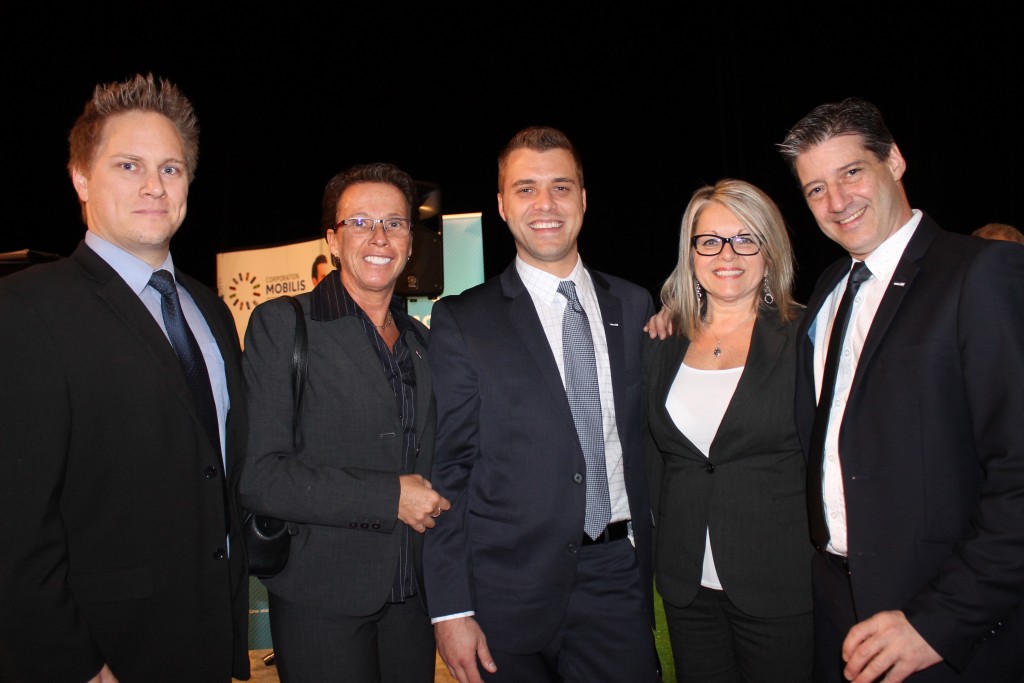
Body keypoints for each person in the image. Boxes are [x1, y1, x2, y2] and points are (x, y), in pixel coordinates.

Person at [0, 73, 250, 682]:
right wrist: (76, 665)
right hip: (103, 652)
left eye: (171, 169)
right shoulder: (26, 309)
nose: (154, 186)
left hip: (207, 639)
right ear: (81, 178)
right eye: (129, 165)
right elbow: (13, 524)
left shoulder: (209, 309)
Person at [778, 97, 1024, 682]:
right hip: (838, 608)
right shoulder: (831, 288)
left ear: (894, 161)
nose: (836, 203)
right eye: (815, 189)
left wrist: (938, 622)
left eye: (851, 173)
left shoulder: (981, 274)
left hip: (938, 624)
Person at [423, 125, 660, 683]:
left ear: (583, 198)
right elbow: (447, 474)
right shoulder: (463, 321)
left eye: (561, 186)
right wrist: (451, 609)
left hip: (615, 581)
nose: (545, 204)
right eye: (526, 188)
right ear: (502, 205)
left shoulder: (634, 303)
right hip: (506, 592)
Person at [239, 162, 450, 683]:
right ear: (332, 239)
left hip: (412, 602)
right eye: (359, 222)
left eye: (395, 223)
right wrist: (388, 497)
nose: (379, 237)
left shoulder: (425, 344)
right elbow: (261, 477)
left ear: (409, 239)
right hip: (321, 600)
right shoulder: (285, 325)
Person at [645, 179, 812, 682]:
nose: (727, 253)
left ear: (769, 247)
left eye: (745, 238)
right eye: (710, 240)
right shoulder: (663, 340)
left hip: (779, 585)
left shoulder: (806, 335)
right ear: (691, 251)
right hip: (686, 584)